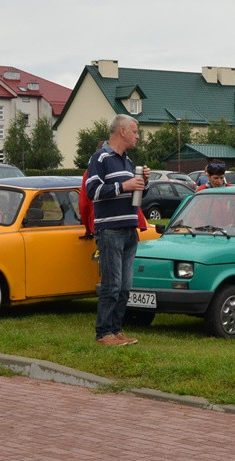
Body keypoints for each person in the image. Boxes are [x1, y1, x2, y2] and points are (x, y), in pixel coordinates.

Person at [85, 114, 149, 346]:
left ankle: (116, 330)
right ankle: (103, 333)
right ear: (122, 131)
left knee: (124, 287)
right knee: (112, 285)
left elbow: (136, 196)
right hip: (110, 229)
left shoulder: (128, 161)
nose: (137, 136)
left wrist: (143, 183)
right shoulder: (100, 158)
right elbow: (92, 191)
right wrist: (124, 185)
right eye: (135, 131)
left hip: (129, 228)